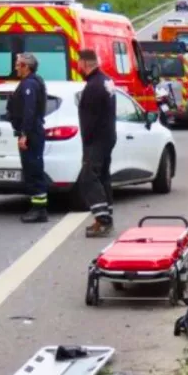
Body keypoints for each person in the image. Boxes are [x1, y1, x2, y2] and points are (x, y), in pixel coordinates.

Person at [77, 49, 117, 238]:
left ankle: (102, 220)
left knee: (88, 177)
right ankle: (106, 215)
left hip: (96, 139)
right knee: (102, 177)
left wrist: (87, 142)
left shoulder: (93, 86)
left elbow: (91, 118)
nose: (77, 67)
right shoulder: (106, 81)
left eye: (79, 63)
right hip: (107, 136)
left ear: (85, 64)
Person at [8, 52, 49, 223]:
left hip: (31, 134)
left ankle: (39, 210)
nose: (16, 67)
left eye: (18, 64)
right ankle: (37, 207)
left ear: (26, 66)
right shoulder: (30, 83)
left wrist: (24, 134)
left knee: (33, 171)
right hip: (31, 132)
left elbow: (29, 111)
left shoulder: (29, 85)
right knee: (31, 170)